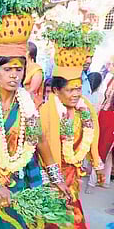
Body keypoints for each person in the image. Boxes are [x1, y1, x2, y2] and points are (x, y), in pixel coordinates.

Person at [0, 45, 70, 228]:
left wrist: (56, 177)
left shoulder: (27, 104)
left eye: (19, 70)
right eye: (7, 69)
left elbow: (40, 140)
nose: (14, 75)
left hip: (18, 183)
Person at [40, 48, 104, 228]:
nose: (76, 94)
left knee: (73, 218)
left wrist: (96, 162)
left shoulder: (83, 110)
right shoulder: (46, 112)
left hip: (73, 176)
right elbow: (39, 147)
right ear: (56, 90)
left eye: (78, 89)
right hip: (50, 177)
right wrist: (53, 178)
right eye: (70, 90)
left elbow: (91, 138)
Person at [88, 56, 114, 196]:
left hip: (110, 118)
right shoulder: (109, 79)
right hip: (105, 116)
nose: (109, 66)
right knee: (104, 149)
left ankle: (93, 182)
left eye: (111, 64)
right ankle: (104, 181)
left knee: (103, 149)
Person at [24, 42, 44, 107]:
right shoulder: (21, 67)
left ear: (28, 53)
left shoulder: (37, 70)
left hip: (32, 105)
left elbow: (33, 90)